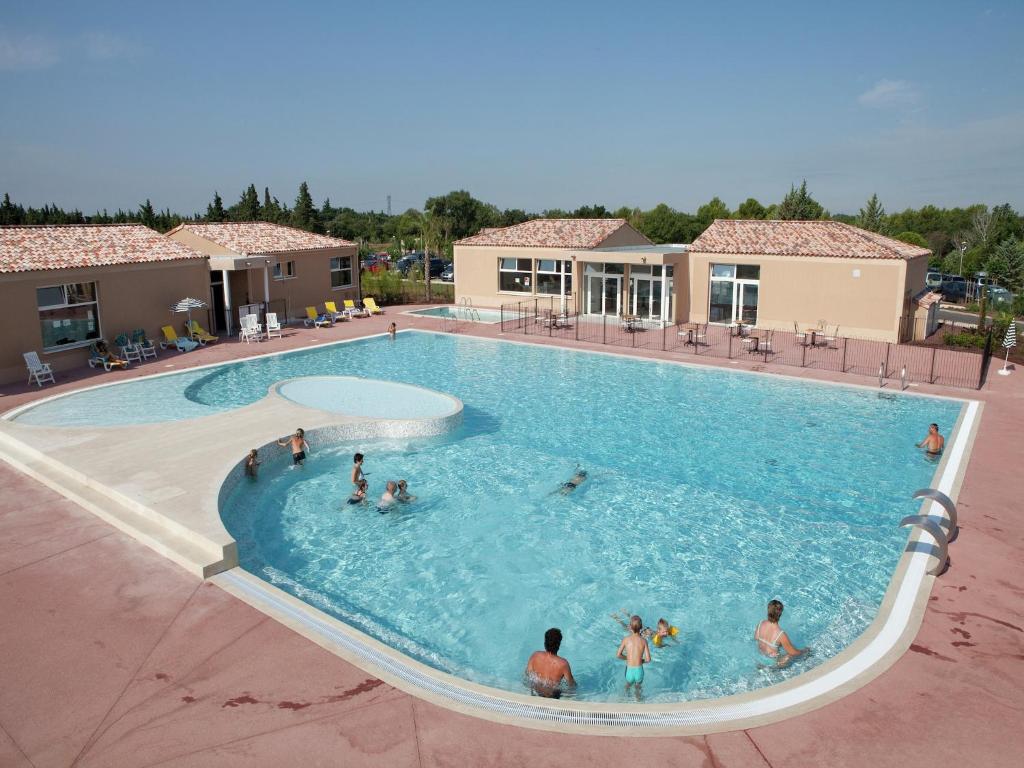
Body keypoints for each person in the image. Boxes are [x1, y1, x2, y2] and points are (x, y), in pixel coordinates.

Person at [755, 599, 809, 668]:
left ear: (768, 611)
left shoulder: (760, 624)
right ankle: (773, 670)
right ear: (780, 613)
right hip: (773, 663)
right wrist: (804, 651)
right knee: (790, 655)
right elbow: (793, 652)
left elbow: (756, 638)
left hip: (760, 659)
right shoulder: (780, 634)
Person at [524, 628, 576, 698]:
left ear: (545, 643)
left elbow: (527, 674)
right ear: (558, 645)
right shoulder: (563, 664)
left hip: (536, 692)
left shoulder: (535, 656)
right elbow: (571, 686)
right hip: (552, 696)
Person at [616, 615, 652, 700]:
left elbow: (618, 655)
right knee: (638, 688)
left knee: (628, 685)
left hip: (629, 671)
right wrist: (641, 661)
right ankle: (638, 702)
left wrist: (627, 658)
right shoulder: (644, 641)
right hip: (639, 671)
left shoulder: (626, 639)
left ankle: (623, 700)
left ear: (630, 627)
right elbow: (648, 659)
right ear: (641, 627)